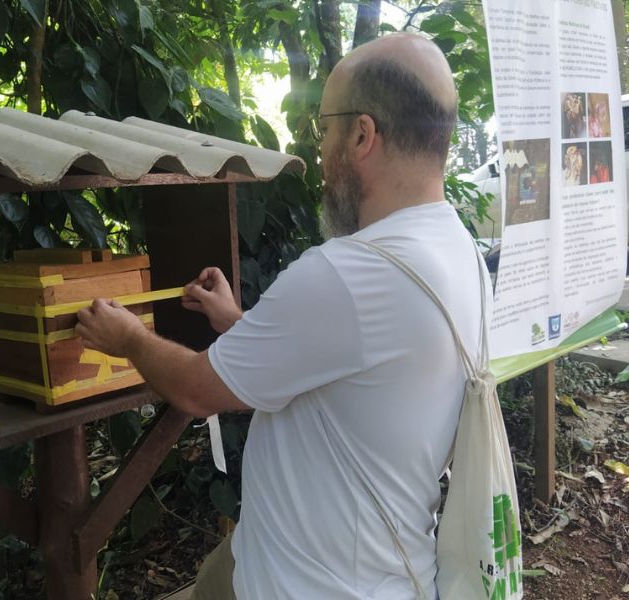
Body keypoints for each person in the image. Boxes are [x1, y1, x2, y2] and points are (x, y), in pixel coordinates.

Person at [76, 32, 488, 599]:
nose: (320, 152)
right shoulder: (460, 253)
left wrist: (128, 338)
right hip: (376, 571)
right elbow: (354, 378)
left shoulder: (346, 274)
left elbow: (197, 390)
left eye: (324, 129)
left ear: (362, 135)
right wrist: (237, 324)